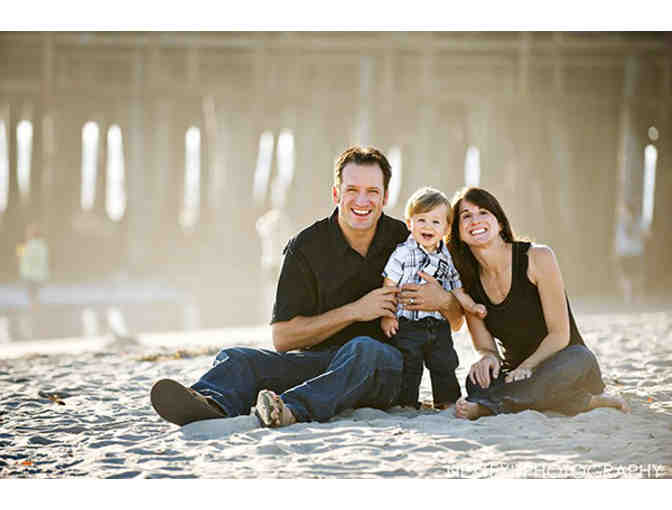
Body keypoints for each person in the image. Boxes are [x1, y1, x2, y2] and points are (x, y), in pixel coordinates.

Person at [150, 146, 463, 428]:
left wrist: (443, 301)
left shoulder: (412, 241)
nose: (362, 201)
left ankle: (289, 409)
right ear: (336, 194)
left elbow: (457, 320)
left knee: (363, 349)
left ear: (385, 196)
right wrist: (355, 311)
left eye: (372, 191)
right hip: (321, 366)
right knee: (236, 358)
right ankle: (210, 405)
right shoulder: (306, 247)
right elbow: (283, 338)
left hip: (386, 370)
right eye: (352, 190)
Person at [447, 187, 630, 420]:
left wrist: (528, 367)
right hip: (515, 374)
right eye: (466, 216)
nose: (475, 220)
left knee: (579, 357)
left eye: (483, 212)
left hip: (564, 363)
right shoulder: (467, 282)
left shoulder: (537, 257)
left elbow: (559, 334)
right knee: (476, 380)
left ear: (500, 223)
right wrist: (487, 359)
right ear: (459, 233)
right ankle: (581, 402)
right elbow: (486, 347)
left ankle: (489, 407)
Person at [380, 187, 486, 409]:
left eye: (435, 222)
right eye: (421, 220)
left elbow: (456, 287)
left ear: (446, 229)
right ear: (409, 223)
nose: (428, 227)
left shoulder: (446, 256)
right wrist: (388, 316)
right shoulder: (403, 253)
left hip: (438, 325)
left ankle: (446, 401)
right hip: (408, 324)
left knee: (445, 363)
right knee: (410, 364)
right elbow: (389, 286)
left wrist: (471, 306)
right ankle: (406, 404)